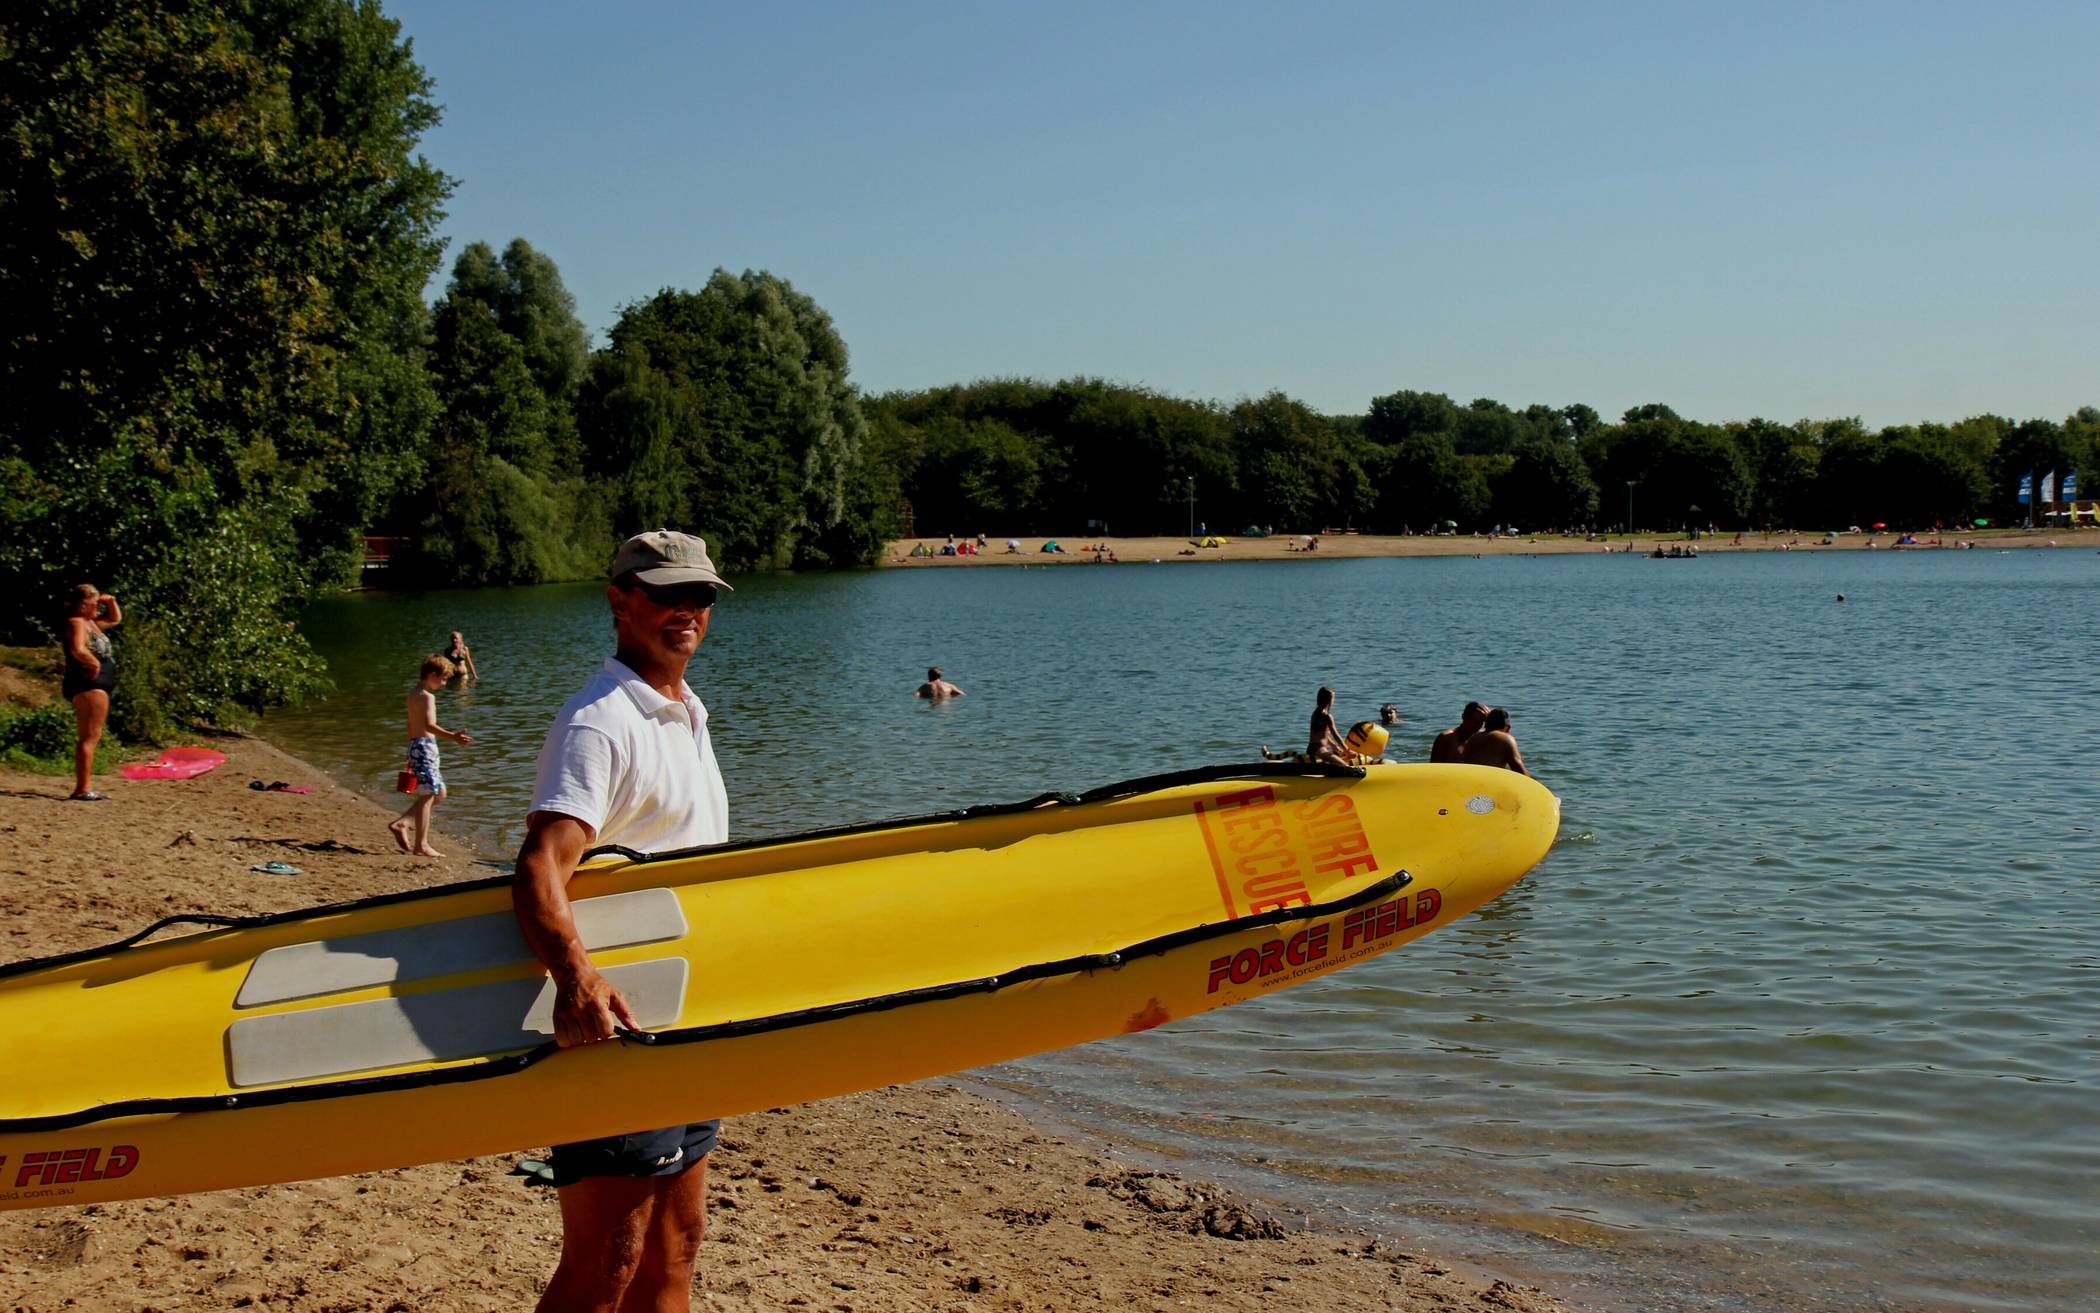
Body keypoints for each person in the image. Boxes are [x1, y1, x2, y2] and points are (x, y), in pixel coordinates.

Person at [513, 529, 733, 1313]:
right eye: (667, 594)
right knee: (609, 1258)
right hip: (616, 1031)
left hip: (686, 1021)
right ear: (619, 601)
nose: (687, 611)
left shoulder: (685, 708)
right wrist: (575, 977)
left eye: (700, 595)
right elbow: (542, 864)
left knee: (677, 1248)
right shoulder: (600, 719)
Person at [389, 655, 471, 856]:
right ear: (432, 675)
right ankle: (421, 845)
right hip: (424, 748)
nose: (443, 684)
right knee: (428, 795)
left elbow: (411, 725)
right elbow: (429, 725)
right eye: (443, 679)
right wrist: (454, 737)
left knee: (439, 793)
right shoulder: (427, 697)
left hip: (416, 746)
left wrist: (410, 751)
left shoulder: (412, 694)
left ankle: (403, 823)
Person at [60, 583, 122, 801]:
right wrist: (93, 662)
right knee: (89, 736)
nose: (99, 606)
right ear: (84, 604)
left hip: (97, 684)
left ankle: (84, 787)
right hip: (88, 684)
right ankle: (83, 788)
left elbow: (114, 620)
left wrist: (111, 601)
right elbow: (78, 648)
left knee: (91, 735)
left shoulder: (90, 623)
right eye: (95, 603)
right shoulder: (76, 622)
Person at [1458, 707, 1529, 775]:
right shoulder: (1505, 739)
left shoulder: (1473, 738)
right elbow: (1521, 772)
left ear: (1486, 725)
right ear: (1508, 728)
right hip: (1489, 783)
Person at [1304, 686, 1349, 763]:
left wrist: (1332, 745)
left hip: (1313, 748)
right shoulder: (1327, 716)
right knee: (1343, 765)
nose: (1334, 701)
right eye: (1333, 698)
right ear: (1329, 700)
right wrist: (1347, 750)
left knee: (1335, 761)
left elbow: (1321, 734)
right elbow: (1335, 735)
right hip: (1319, 750)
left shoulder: (1315, 713)